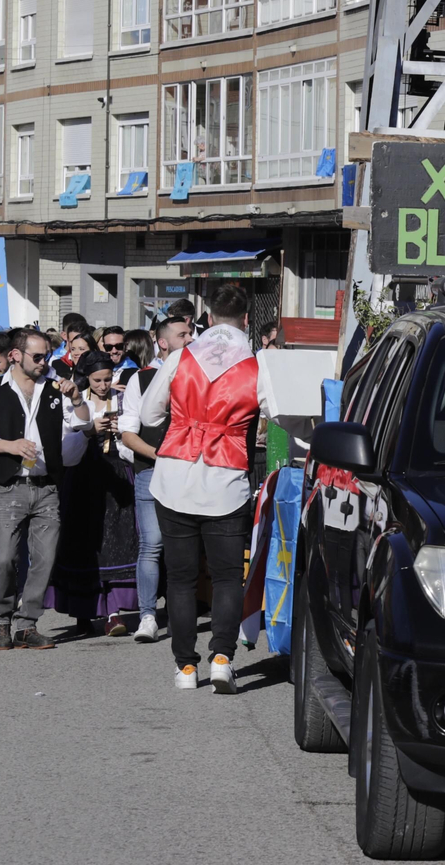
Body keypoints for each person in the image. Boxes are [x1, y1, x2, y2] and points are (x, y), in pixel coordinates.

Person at [136, 282, 273, 692]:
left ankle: (185, 667)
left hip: (174, 476)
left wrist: (185, 420)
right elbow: (282, 414)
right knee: (228, 576)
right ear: (247, 320)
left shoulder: (180, 356)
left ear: (208, 318)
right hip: (225, 481)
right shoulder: (257, 364)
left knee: (180, 577)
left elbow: (147, 412)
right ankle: (221, 659)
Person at [0, 328, 87, 650]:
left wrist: (77, 400)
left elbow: (82, 424)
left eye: (46, 356)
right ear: (15, 356)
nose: (43, 362)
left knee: (44, 558)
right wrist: (8, 445)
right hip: (7, 486)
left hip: (47, 485)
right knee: (3, 558)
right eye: (37, 356)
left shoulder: (53, 388)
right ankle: (1, 619)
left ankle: (27, 625)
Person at [47, 350, 140, 635]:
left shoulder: (122, 400)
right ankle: (83, 611)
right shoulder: (75, 401)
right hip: (82, 479)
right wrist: (88, 430)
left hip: (115, 477)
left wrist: (120, 432)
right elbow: (65, 448)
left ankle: (113, 611)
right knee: (83, 544)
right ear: (87, 378)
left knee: (117, 545)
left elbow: (132, 442)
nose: (103, 385)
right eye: (97, 379)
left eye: (108, 379)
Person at [120, 312, 193, 642]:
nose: (190, 338)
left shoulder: (198, 376)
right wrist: (159, 455)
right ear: (163, 343)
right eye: (182, 335)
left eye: (191, 332)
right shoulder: (141, 379)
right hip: (151, 470)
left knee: (185, 546)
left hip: (189, 473)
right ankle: (147, 616)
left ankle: (181, 614)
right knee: (152, 544)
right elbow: (128, 433)